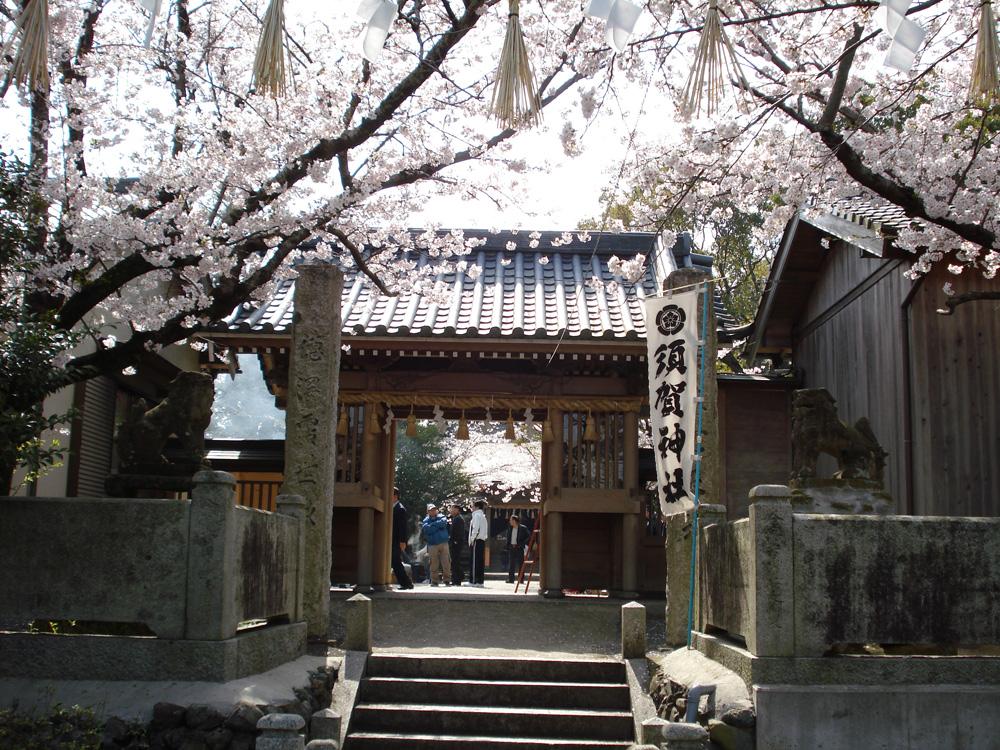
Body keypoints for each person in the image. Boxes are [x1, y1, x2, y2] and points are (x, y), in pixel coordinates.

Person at [421, 503, 452, 586]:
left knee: (446, 563)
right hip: (432, 544)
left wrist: (432, 525)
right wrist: (437, 525)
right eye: (431, 510)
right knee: (433, 563)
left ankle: (447, 580)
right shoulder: (425, 520)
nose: (433, 511)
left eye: (434, 509)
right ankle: (434, 581)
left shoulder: (442, 516)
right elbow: (426, 529)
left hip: (444, 543)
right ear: (428, 511)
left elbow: (443, 523)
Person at [390, 489, 413, 590]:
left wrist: (403, 541)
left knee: (396, 562)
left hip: (397, 540)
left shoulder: (400, 509)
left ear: (395, 496)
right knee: (395, 562)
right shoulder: (393, 507)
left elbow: (403, 527)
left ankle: (406, 583)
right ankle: (406, 583)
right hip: (392, 539)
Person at [468, 499, 488, 587]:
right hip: (482, 540)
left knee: (475, 561)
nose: (471, 508)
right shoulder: (483, 516)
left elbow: (475, 529)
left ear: (476, 507)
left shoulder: (476, 516)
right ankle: (480, 581)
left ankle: (473, 581)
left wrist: (472, 539)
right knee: (480, 561)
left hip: (476, 540)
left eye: (472, 506)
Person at [505, 515, 530, 583]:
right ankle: (511, 579)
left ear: (514, 521)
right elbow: (508, 537)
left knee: (521, 564)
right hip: (512, 547)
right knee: (511, 564)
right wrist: (508, 545)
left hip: (519, 547)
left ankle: (521, 579)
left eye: (511, 520)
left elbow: (528, 537)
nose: (510, 521)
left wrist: (522, 543)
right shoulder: (510, 528)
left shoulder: (523, 528)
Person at [447, 503, 466, 586]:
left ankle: (457, 579)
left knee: (455, 561)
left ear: (457, 509)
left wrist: (455, 541)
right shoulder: (455, 518)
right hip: (454, 542)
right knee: (454, 561)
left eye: (452, 508)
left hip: (456, 543)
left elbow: (459, 532)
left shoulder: (458, 519)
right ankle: (458, 577)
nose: (451, 510)